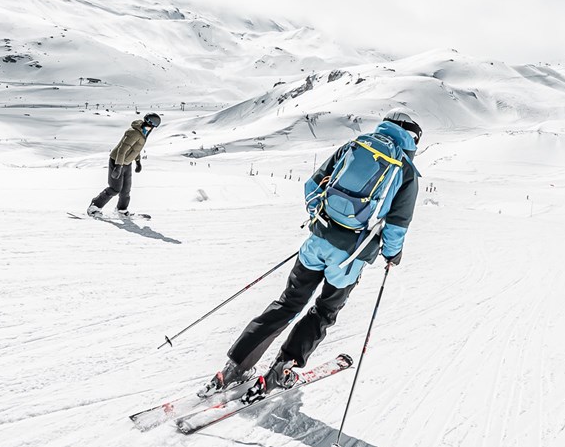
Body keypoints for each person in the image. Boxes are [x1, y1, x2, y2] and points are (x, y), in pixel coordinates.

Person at [201, 111, 423, 399]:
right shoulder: (405, 170)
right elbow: (396, 226)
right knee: (324, 311)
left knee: (288, 302)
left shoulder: (355, 146)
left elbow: (312, 186)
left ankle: (234, 367)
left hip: (316, 243)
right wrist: (392, 256)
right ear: (413, 138)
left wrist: (320, 222)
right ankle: (282, 368)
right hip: (349, 258)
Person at [88, 113, 160, 217]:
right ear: (146, 122)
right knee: (115, 188)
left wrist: (138, 161)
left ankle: (121, 210)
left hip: (126, 163)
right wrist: (118, 166)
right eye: (151, 124)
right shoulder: (134, 133)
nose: (151, 127)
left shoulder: (142, 134)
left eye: (153, 126)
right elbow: (122, 150)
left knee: (126, 189)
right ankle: (94, 206)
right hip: (117, 160)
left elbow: (135, 149)